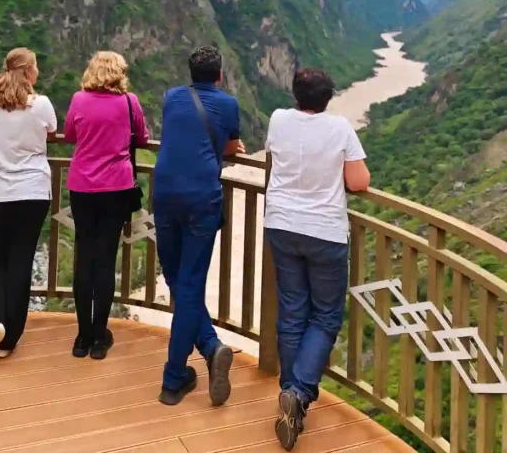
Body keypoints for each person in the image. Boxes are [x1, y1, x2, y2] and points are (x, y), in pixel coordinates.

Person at [265, 68, 371, 451]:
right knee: (325, 316)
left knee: (292, 311)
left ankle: (289, 394)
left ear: (295, 94)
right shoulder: (341, 129)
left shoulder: (278, 119)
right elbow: (359, 182)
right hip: (324, 232)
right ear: (329, 97)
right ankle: (299, 393)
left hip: (281, 225)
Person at [152, 44, 244, 407]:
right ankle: (176, 376)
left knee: (175, 278)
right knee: (188, 283)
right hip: (201, 199)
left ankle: (208, 347)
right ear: (220, 75)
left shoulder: (172, 97)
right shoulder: (229, 104)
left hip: (165, 193)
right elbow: (233, 145)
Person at [65, 51, 149, 360]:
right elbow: (141, 136)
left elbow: (71, 133)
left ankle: (82, 337)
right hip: (116, 187)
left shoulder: (78, 99)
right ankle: (100, 338)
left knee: (83, 257)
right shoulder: (130, 102)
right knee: (105, 259)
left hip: (82, 187)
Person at [0, 48, 57, 360]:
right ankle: (11, 336)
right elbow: (51, 130)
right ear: (29, 72)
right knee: (22, 261)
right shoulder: (41, 105)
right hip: (33, 190)